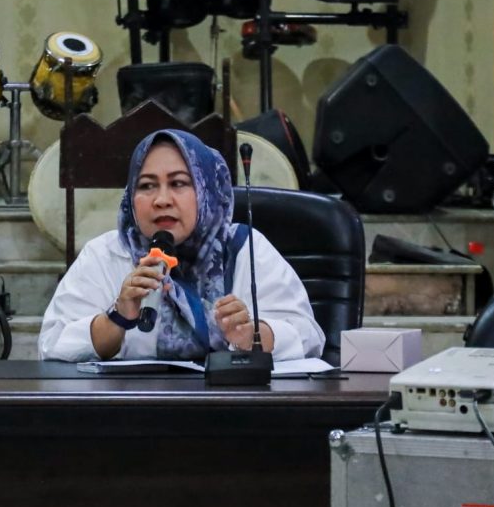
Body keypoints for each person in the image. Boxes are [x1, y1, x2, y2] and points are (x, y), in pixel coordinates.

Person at [38, 128, 324, 362]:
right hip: (130, 413)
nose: (162, 199)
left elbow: (309, 337)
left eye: (178, 183)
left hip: (230, 413)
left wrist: (254, 334)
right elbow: (52, 346)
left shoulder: (243, 248)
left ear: (205, 191)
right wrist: (117, 318)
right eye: (147, 185)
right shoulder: (106, 254)